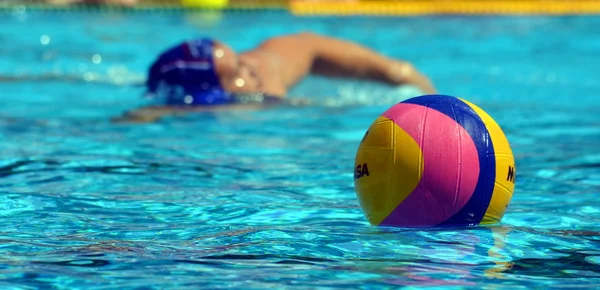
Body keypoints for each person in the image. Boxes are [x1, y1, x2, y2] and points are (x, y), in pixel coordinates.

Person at [116, 32, 437, 122]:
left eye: (239, 58)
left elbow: (309, 47)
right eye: (237, 71)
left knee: (401, 73)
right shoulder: (196, 107)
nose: (250, 67)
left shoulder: (266, 70)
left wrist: (407, 82)